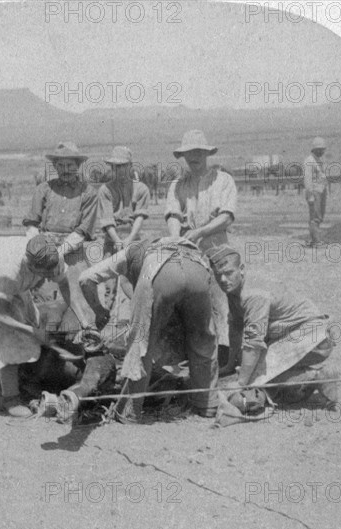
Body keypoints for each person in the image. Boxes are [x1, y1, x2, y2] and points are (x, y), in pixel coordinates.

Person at [79, 237, 219, 421]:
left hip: (158, 272)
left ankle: (130, 412)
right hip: (198, 271)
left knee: (140, 343)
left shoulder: (128, 254)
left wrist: (99, 310)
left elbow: (85, 278)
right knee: (203, 340)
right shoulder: (173, 242)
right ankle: (206, 405)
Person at [208, 245, 339, 405]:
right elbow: (236, 326)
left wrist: (241, 383)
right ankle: (299, 376)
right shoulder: (234, 289)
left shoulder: (252, 294)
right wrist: (230, 364)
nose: (222, 280)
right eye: (218, 275)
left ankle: (319, 376)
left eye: (228, 273)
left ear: (241, 269)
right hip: (292, 334)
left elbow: (254, 343)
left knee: (255, 378)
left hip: (314, 337)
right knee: (246, 366)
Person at [0, 234, 77, 417]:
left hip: (14, 272)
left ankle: (24, 373)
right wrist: (31, 331)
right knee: (7, 334)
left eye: (51, 273)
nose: (48, 280)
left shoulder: (51, 256)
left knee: (31, 316)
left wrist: (84, 321)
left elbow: (64, 284)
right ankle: (10, 398)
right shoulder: (9, 271)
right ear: (31, 267)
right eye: (44, 275)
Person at [165, 130, 237, 353]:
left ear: (206, 154)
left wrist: (200, 232)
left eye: (197, 152)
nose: (193, 157)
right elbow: (173, 214)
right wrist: (177, 240)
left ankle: (227, 351)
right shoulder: (178, 184)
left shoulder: (223, 180)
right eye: (188, 153)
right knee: (188, 299)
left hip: (217, 246)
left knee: (222, 298)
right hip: (188, 248)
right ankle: (192, 349)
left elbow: (227, 216)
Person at [22, 142, 99, 329]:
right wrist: (41, 250)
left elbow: (83, 230)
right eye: (61, 165)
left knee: (79, 301)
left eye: (70, 165)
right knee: (42, 302)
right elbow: (32, 223)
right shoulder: (43, 189)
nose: (66, 170)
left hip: (73, 254)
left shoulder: (88, 192)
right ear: (55, 166)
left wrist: (59, 253)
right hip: (43, 254)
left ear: (78, 165)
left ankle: (86, 341)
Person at [97, 146, 151, 322]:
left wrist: (129, 239)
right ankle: (105, 326)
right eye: (115, 166)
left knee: (135, 283)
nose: (118, 170)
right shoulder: (105, 190)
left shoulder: (141, 189)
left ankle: (140, 321)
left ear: (130, 165)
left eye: (122, 166)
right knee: (109, 286)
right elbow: (106, 220)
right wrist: (118, 241)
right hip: (112, 240)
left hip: (134, 240)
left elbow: (140, 216)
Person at [304, 137, 328, 247]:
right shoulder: (309, 161)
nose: (323, 152)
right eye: (321, 149)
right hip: (314, 193)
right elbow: (308, 180)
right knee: (315, 217)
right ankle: (316, 241)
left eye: (323, 149)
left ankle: (314, 239)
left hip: (321, 191)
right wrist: (310, 196)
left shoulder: (318, 160)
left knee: (319, 216)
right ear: (315, 149)